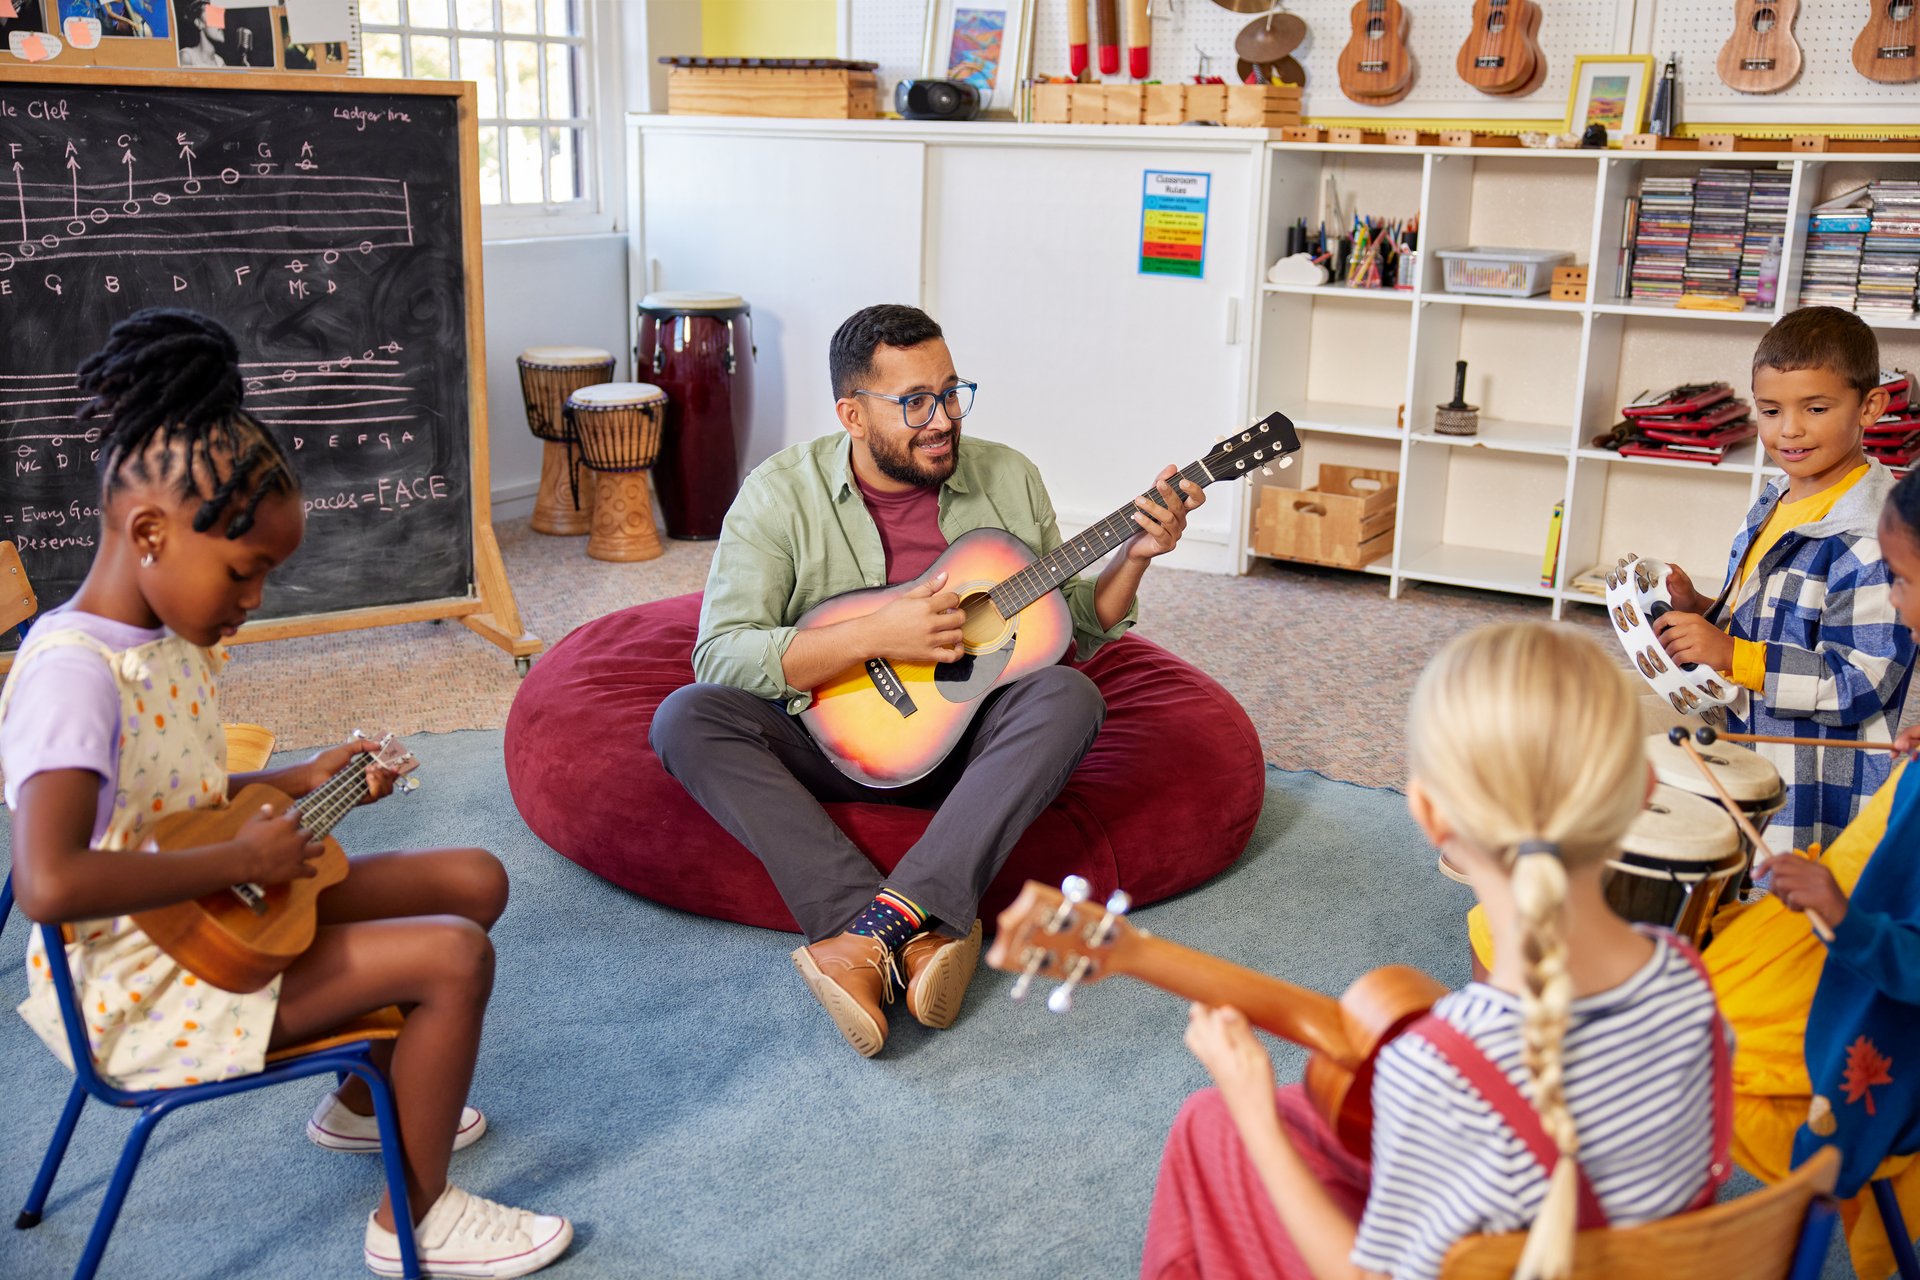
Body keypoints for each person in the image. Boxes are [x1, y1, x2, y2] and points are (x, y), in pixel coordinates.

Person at [2, 310, 572, 1279]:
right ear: (148, 531)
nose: (257, 596)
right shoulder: (71, 673)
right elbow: (49, 880)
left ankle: (362, 1104)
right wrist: (238, 857)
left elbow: (168, 798)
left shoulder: (168, 642)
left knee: (472, 876)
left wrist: (301, 779)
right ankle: (413, 1217)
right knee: (452, 955)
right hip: (145, 986)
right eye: (245, 569)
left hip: (204, 911)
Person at [650, 303, 1203, 1058]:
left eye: (951, 392)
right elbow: (721, 655)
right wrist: (878, 634)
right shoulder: (780, 494)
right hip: (828, 739)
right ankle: (910, 932)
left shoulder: (1008, 478)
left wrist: (1134, 556)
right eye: (914, 402)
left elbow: (1071, 628)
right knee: (687, 716)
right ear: (852, 413)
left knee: (1070, 695)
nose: (941, 419)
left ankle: (865, 938)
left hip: (968, 751)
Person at [1141, 623, 1729, 1280]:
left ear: (1428, 815)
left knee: (1216, 1121)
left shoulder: (1443, 1066)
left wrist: (1255, 1116)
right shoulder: (1687, 976)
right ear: (1646, 791)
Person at [1706, 469, 1920, 1280]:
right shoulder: (1771, 502)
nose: (1895, 603)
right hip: (1851, 922)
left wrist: (1843, 915)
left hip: (1872, 989)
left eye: (1900, 578)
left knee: (1671, 1027)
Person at [1655, 305, 1914, 857]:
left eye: (1815, 408)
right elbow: (1764, 614)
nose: (1788, 429)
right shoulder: (1777, 497)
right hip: (1741, 728)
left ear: (1870, 407)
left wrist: (1730, 652)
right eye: (1770, 410)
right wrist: (1704, 610)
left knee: (1777, 895)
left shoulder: (1873, 540)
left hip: (1806, 773)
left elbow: (1860, 683)